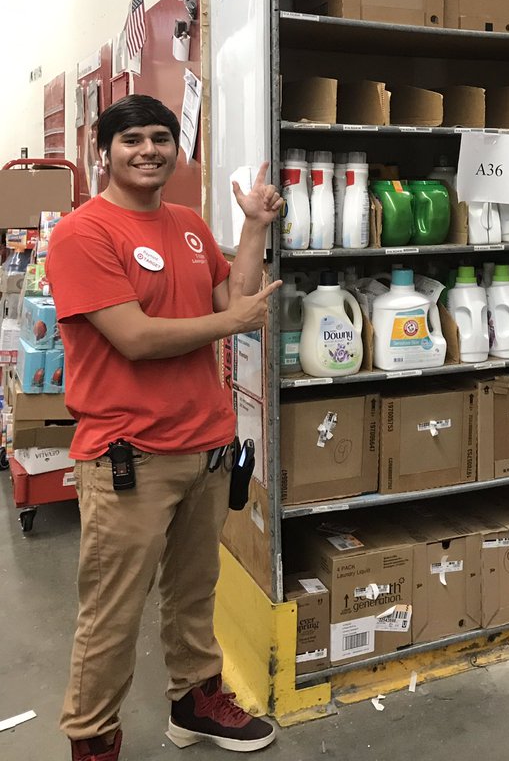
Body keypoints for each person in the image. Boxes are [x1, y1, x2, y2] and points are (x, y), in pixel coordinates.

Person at [46, 95, 283, 760]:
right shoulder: (84, 233)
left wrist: (254, 227)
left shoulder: (185, 224)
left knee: (193, 593)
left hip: (202, 448)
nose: (148, 150)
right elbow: (136, 338)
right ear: (105, 151)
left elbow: (235, 299)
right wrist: (230, 326)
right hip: (128, 458)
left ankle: (195, 703)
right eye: (131, 139)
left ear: (176, 150)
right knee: (112, 616)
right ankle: (93, 740)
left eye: (161, 138)